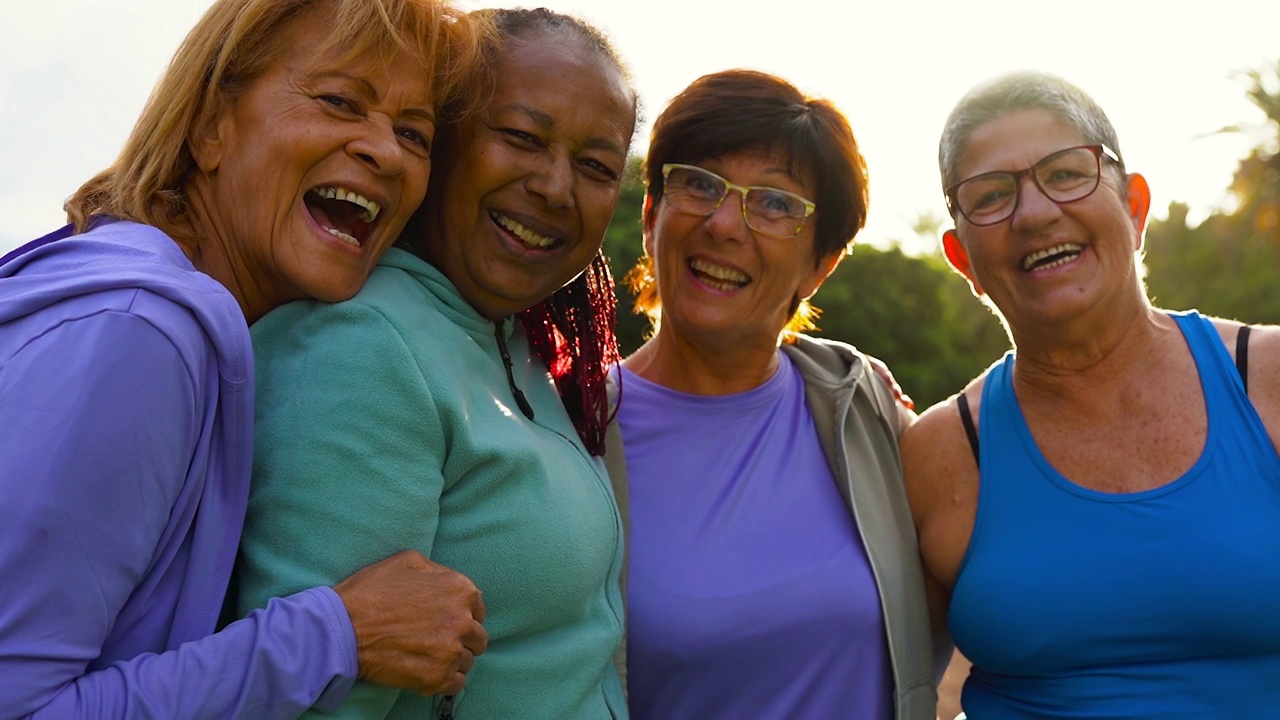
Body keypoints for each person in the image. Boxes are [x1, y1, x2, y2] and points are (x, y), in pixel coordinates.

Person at [0, 0, 492, 716]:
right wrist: (337, 635)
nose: (384, 151)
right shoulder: (145, 334)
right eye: (339, 101)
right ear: (210, 128)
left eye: (413, 134)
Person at [234, 7, 638, 718]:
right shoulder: (362, 344)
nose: (555, 186)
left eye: (596, 165)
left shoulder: (516, 345)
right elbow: (316, 703)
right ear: (439, 142)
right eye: (521, 137)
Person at [902, 70, 1280, 719]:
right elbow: (879, 682)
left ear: (1134, 207)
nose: (1036, 213)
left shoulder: (1268, 379)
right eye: (992, 195)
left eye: (1067, 173)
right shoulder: (939, 454)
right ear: (963, 259)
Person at [606, 69, 940, 720]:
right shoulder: (574, 430)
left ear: (822, 264)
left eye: (776, 203)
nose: (726, 224)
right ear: (652, 215)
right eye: (699, 185)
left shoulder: (862, 408)